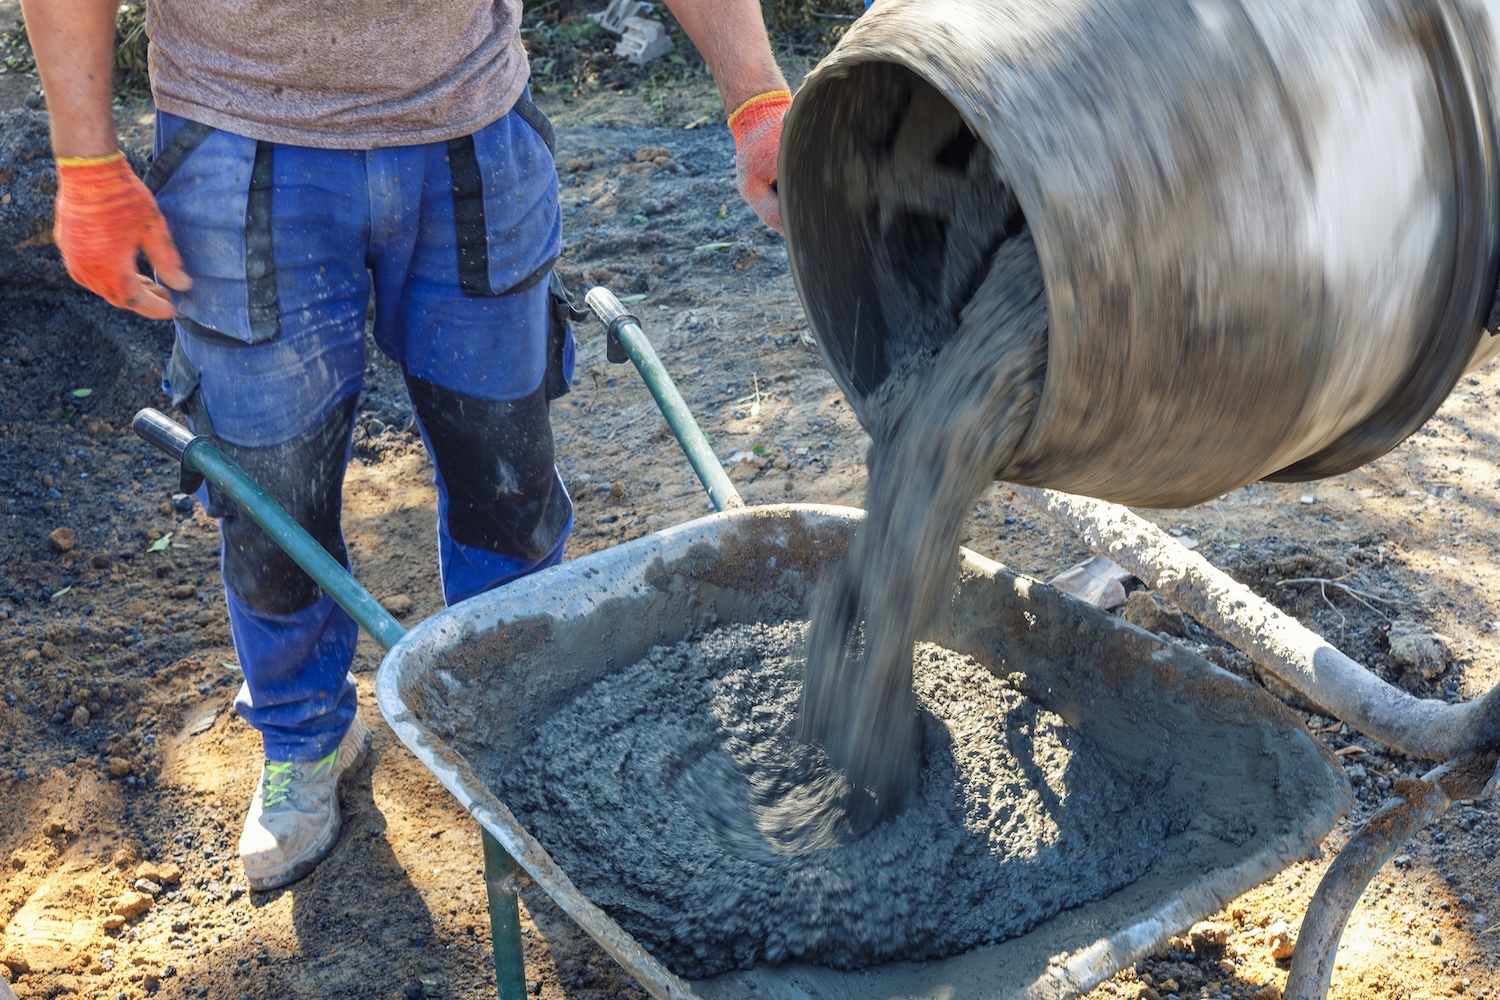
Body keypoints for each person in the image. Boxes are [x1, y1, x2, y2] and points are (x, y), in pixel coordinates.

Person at [20, 0, 790, 891]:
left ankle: (518, 721)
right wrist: (85, 158)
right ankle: (305, 737)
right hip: (242, 144)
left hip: (472, 128)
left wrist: (758, 99)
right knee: (273, 495)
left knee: (505, 475)